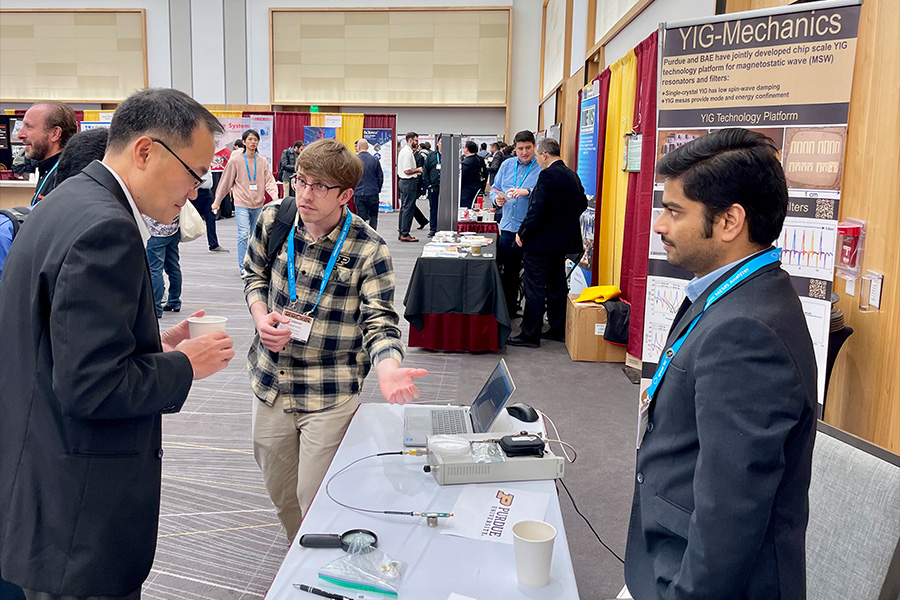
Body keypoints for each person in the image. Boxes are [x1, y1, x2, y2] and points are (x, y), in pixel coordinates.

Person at [0, 88, 235, 599]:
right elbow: (92, 387)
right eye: (195, 173)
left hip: (37, 475)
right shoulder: (106, 228)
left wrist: (152, 343)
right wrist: (184, 365)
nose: (196, 191)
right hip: (76, 514)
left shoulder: (69, 198)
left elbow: (60, 341)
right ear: (147, 151)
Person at [624, 129, 817, 600]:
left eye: (674, 211)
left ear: (730, 220)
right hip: (667, 555)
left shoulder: (747, 332)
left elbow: (730, 512)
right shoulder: (727, 293)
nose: (659, 226)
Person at [243, 139, 427, 542]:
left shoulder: (368, 248)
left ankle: (322, 562)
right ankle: (301, 553)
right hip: (271, 383)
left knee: (317, 496)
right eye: (301, 181)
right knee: (281, 495)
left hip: (329, 391)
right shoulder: (274, 219)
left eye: (319, 187)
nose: (306, 194)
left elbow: (379, 320)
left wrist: (388, 367)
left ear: (345, 195)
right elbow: (253, 276)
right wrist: (260, 317)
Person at [507, 138, 586, 348]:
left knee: (535, 288)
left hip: (540, 243)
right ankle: (558, 328)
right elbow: (582, 203)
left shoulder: (547, 175)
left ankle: (530, 334)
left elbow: (537, 209)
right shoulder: (572, 175)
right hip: (562, 243)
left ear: (543, 154)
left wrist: (523, 232)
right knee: (557, 286)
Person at [490, 130, 542, 317]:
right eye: (520, 148)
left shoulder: (541, 168)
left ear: (534, 147)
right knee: (509, 273)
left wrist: (527, 191)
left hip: (531, 231)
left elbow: (545, 195)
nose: (524, 152)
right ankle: (509, 311)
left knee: (532, 276)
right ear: (515, 149)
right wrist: (497, 200)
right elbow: (494, 190)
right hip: (508, 228)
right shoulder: (506, 165)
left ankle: (531, 318)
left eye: (528, 148)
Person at [213, 128, 279, 274]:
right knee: (243, 234)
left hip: (258, 204)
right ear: (243, 142)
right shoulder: (235, 161)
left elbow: (269, 181)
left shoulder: (262, 162)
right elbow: (225, 183)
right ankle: (243, 267)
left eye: (255, 139)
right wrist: (217, 201)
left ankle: (254, 264)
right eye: (250, 139)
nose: (253, 142)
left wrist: (275, 198)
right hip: (241, 203)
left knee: (255, 236)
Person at [16, 101, 77, 205]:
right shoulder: (47, 169)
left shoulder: (67, 179)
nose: (20, 134)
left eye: (29, 126)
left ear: (55, 133)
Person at [144, 213, 182, 319]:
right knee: (173, 267)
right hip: (173, 229)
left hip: (156, 232)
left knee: (155, 271)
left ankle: (156, 308)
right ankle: (174, 301)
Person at [192, 171, 228, 253]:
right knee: (190, 218)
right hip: (196, 192)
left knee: (211, 218)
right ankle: (175, 240)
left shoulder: (208, 164)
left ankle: (213, 244)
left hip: (208, 192)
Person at [397, 131, 422, 242]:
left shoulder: (404, 151)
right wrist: (418, 170)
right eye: (416, 140)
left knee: (404, 208)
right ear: (410, 140)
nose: (417, 143)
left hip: (403, 182)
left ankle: (402, 231)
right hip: (408, 182)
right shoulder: (407, 153)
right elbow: (407, 170)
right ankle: (405, 233)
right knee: (408, 209)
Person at [353, 138, 383, 229]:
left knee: (361, 217)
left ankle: (362, 235)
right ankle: (373, 234)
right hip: (373, 192)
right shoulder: (375, 160)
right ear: (368, 147)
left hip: (359, 192)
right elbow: (380, 177)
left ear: (358, 147)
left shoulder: (354, 160)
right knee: (373, 216)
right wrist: (377, 188)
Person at [423, 135, 442, 238]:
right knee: (433, 208)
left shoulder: (449, 156)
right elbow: (425, 170)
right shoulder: (431, 156)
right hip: (433, 187)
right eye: (441, 142)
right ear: (438, 143)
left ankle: (444, 227)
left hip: (446, 188)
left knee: (445, 209)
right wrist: (428, 184)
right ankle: (433, 228)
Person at [460, 140, 484, 209]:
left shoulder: (466, 163)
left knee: (466, 209)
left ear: (466, 149)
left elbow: (462, 177)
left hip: (466, 191)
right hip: (475, 188)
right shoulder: (478, 159)